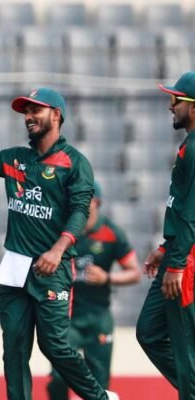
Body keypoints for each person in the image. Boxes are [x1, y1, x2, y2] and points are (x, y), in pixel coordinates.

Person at [0, 85, 118, 400]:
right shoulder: (16, 159)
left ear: (56, 115)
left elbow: (80, 212)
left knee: (55, 346)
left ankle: (100, 397)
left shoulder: (75, 162)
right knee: (14, 350)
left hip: (52, 269)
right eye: (26, 112)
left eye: (36, 110)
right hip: (15, 268)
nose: (29, 117)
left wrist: (57, 250)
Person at [48, 182, 140, 399]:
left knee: (100, 383)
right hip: (67, 318)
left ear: (96, 202)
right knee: (59, 377)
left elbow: (135, 272)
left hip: (98, 317)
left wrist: (107, 278)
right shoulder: (61, 231)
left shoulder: (111, 233)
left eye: (84, 200)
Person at [136, 72, 195, 400]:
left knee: (185, 348)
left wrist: (177, 264)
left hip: (186, 258)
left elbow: (192, 212)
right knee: (149, 332)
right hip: (176, 249)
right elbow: (181, 207)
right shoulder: (189, 145)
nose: (171, 106)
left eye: (176, 100)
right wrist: (165, 248)